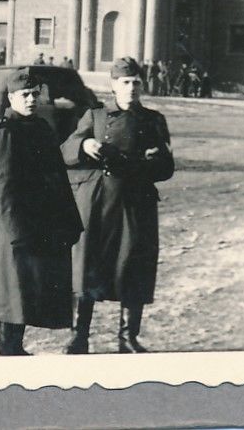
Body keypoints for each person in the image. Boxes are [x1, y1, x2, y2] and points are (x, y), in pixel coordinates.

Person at [60, 56, 175, 354]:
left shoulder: (153, 120)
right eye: (125, 82)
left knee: (133, 265)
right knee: (87, 267)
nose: (131, 88)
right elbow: (65, 151)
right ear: (113, 85)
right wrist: (84, 145)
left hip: (135, 204)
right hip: (98, 204)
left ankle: (127, 338)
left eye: (136, 82)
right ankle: (79, 337)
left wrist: (154, 161)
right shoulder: (95, 116)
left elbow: (166, 168)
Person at [0, 68, 83, 356]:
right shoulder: (5, 133)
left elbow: (58, 178)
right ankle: (8, 348)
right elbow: (2, 187)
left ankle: (15, 347)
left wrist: (70, 221)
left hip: (43, 224)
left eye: (35, 94)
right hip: (18, 227)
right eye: (24, 95)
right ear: (12, 97)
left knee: (29, 291)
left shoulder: (41, 127)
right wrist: (17, 233)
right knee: (12, 292)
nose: (31, 100)